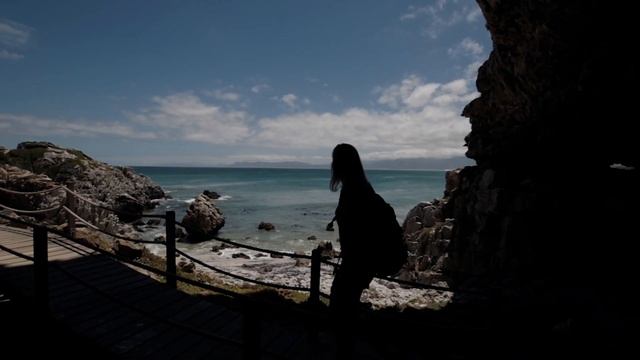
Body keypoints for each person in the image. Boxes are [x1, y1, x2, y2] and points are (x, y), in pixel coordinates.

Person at [328, 143, 377, 357]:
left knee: (340, 310)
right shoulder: (361, 186)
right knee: (346, 309)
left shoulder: (353, 190)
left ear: (340, 164)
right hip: (362, 261)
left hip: (356, 262)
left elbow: (356, 232)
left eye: (334, 160)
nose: (331, 164)